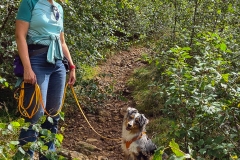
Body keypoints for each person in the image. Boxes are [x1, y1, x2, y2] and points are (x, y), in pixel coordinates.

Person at [14, 0, 76, 159]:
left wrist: (71, 66)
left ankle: (47, 155)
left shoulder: (59, 7)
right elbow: (20, 35)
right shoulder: (29, 2)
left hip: (58, 63)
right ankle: (25, 156)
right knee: (34, 114)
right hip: (36, 59)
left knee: (53, 114)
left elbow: (62, 41)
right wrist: (27, 68)